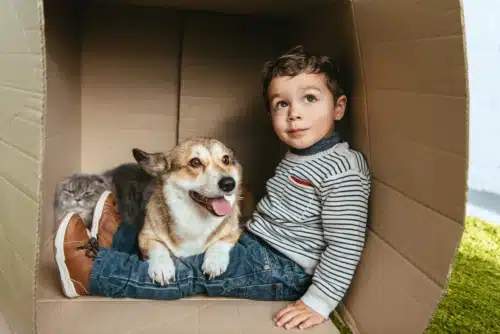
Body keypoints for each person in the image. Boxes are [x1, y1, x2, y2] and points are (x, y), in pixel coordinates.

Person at [54, 45, 371, 331]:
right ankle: (118, 237)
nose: (295, 113)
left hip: (284, 269)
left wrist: (319, 301)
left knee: (191, 273)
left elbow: (346, 244)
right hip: (255, 243)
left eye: (310, 99)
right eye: (281, 104)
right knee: (194, 244)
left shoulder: (343, 169)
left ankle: (96, 275)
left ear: (339, 107)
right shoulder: (299, 155)